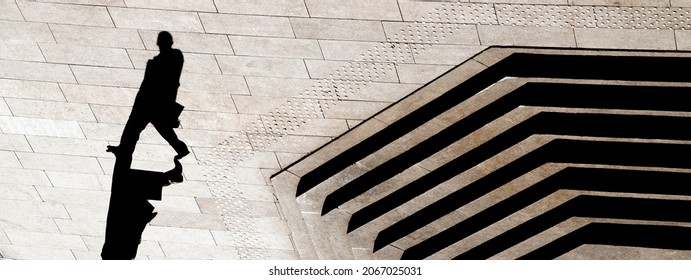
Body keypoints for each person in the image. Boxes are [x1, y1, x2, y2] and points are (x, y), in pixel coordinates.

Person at [107, 31, 189, 160]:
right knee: (142, 127)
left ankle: (180, 148)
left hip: (155, 100)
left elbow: (170, 81)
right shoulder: (158, 61)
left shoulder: (173, 57)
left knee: (143, 127)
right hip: (148, 100)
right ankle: (180, 148)